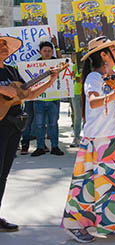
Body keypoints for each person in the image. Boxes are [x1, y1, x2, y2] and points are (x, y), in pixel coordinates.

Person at [61, 37, 115, 243]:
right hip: (99, 139)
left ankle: (114, 223)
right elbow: (93, 101)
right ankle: (74, 224)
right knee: (88, 184)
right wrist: (113, 97)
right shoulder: (93, 78)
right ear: (104, 54)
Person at [0, 36, 60, 231]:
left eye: (5, 47)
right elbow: (8, 92)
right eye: (0, 46)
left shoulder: (11, 70)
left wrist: (50, 80)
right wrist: (3, 88)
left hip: (14, 126)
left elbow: (30, 94)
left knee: (3, 174)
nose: (4, 49)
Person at [31, 41, 64, 157]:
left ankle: (55, 147)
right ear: (40, 52)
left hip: (53, 101)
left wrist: (56, 46)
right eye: (44, 51)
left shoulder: (56, 63)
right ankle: (40, 147)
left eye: (49, 51)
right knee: (39, 125)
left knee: (53, 124)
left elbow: (64, 63)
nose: (47, 53)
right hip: (39, 100)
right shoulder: (36, 64)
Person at [70, 53, 82, 148]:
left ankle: (87, 138)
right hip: (77, 93)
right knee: (77, 117)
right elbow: (75, 79)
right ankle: (76, 137)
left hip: (86, 93)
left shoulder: (91, 65)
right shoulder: (75, 66)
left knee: (87, 117)